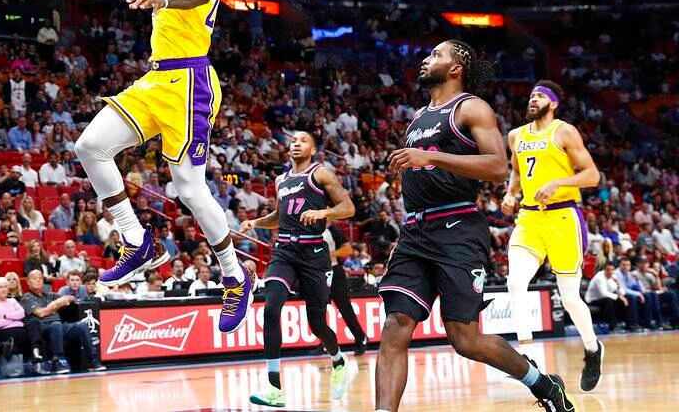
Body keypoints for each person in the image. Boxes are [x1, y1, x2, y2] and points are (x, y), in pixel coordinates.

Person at [73, 0, 261, 333]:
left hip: (188, 83)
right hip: (159, 79)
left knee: (190, 189)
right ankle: (137, 240)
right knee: (91, 146)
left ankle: (235, 277)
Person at [376, 41, 575, 412]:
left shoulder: (470, 107)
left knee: (465, 339)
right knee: (396, 324)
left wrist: (432, 157)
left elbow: (498, 167)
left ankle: (543, 384)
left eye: (436, 55)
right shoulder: (419, 116)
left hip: (458, 228)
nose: (426, 59)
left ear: (456, 69)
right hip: (415, 232)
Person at [238, 132, 356, 407]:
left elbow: (348, 207)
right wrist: (255, 223)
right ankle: (274, 388)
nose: (296, 144)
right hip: (284, 251)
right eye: (293, 141)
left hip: (313, 254)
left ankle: (338, 360)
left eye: (303, 141)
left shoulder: (320, 174)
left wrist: (324, 213)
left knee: (317, 323)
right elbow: (278, 217)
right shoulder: (281, 180)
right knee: (270, 308)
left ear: (312, 150)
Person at [502, 80, 604, 391]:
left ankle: (592, 349)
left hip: (563, 217)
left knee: (570, 298)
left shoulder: (564, 131)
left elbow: (592, 175)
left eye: (540, 96)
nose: (533, 99)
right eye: (531, 95)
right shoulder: (516, 135)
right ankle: (529, 360)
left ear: (553, 103)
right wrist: (510, 194)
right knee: (515, 283)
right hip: (530, 217)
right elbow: (518, 172)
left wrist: (559, 182)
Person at [20, 270, 103, 373]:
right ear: (28, 282)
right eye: (34, 278)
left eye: (40, 278)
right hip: (42, 327)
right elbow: (41, 313)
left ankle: (93, 359)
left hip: (58, 326)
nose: (38, 280)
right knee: (56, 324)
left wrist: (65, 299)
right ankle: (58, 359)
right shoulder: (26, 297)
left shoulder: (51, 295)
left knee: (81, 325)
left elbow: (71, 298)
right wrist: (56, 304)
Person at [0, 277, 48, 373]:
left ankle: (36, 352)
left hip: (18, 329)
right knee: (24, 334)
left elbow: (22, 314)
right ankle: (36, 358)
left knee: (34, 323)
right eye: (0, 287)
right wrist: (15, 320)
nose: (3, 289)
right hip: (0, 332)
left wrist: (6, 316)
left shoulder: (13, 301)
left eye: (5, 287)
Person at [325, 222, 369, 355]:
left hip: (335, 271)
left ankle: (360, 337)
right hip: (318, 273)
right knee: (318, 310)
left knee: (344, 308)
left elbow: (348, 250)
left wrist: (328, 254)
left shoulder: (331, 229)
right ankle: (325, 343)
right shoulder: (308, 229)